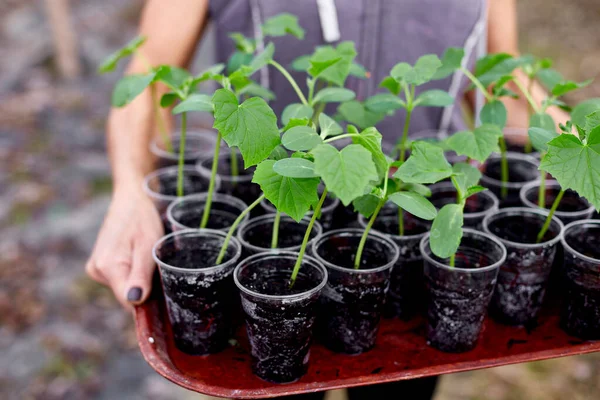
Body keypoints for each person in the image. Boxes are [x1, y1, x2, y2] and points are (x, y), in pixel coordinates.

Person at [86, 1, 569, 398]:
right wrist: (130, 191)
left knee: (398, 374)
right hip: (275, 219)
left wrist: (574, 143)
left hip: (407, 216)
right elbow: (151, 69)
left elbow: (501, 77)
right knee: (275, 371)